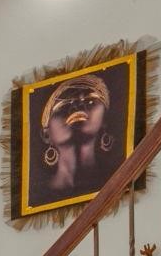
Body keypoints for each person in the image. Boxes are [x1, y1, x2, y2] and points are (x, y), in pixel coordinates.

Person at [35, 71, 122, 206]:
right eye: (63, 105)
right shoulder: (40, 195)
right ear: (46, 135)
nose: (77, 107)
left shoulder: (120, 179)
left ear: (105, 120)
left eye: (90, 101)